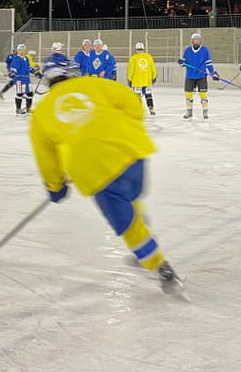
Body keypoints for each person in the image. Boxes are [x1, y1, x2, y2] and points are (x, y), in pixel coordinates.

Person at [28, 56, 186, 296]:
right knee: (130, 197)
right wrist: (127, 130)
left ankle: (161, 269)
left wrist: (55, 186)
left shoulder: (41, 114)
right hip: (132, 153)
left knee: (128, 223)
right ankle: (145, 243)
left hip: (95, 171)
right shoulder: (92, 84)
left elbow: (46, 157)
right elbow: (132, 101)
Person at [177, 32, 218, 119]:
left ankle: (205, 111)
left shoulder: (205, 50)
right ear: (192, 41)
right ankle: (189, 111)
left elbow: (208, 63)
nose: (196, 41)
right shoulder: (187, 50)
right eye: (194, 40)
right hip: (190, 76)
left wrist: (212, 73)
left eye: (198, 40)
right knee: (188, 94)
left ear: (200, 41)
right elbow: (184, 63)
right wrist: (181, 62)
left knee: (203, 94)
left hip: (201, 76)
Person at [128, 41, 158, 115]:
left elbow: (131, 70)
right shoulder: (149, 57)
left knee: (137, 96)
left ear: (136, 49)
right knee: (148, 94)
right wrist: (154, 77)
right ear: (143, 49)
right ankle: (151, 108)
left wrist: (129, 79)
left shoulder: (133, 58)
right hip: (147, 80)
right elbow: (152, 68)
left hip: (137, 81)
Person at [9, 43, 39, 115]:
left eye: (23, 50)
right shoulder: (16, 59)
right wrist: (12, 72)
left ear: (25, 50)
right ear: (18, 51)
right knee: (20, 93)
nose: (21, 51)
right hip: (19, 79)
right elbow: (14, 68)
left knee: (30, 93)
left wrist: (34, 71)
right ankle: (18, 109)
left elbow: (28, 67)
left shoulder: (26, 58)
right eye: (20, 50)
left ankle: (28, 108)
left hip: (26, 79)